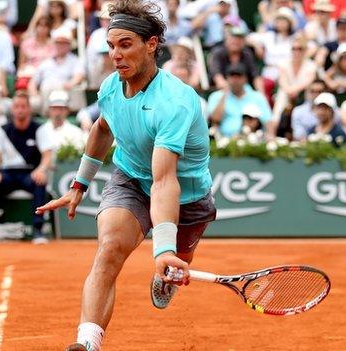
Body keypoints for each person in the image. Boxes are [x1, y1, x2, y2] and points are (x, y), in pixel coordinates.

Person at [37, 3, 217, 349]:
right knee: (109, 248)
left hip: (186, 196)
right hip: (132, 178)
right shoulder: (110, 87)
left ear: (151, 45)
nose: (115, 55)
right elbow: (104, 129)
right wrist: (80, 184)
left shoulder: (176, 102)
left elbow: (165, 180)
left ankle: (167, 269)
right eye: (111, 46)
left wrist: (164, 249)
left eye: (125, 44)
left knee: (177, 261)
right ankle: (87, 341)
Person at [0, 91, 56, 244]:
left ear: (29, 109)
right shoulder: (2, 130)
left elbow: (47, 155)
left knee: (40, 181)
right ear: (12, 109)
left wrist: (41, 169)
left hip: (30, 173)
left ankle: (38, 230)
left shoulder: (39, 128)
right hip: (8, 173)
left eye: (23, 106)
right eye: (17, 106)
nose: (20, 110)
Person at [28, 28, 85, 114]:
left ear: (69, 45)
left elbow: (79, 76)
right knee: (33, 101)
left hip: (65, 94)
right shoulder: (46, 62)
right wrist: (34, 93)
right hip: (45, 98)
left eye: (64, 43)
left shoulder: (75, 61)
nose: (61, 46)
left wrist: (70, 83)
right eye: (58, 43)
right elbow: (33, 83)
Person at [208, 63, 273, 137]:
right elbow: (215, 120)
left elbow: (268, 122)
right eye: (232, 76)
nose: (235, 80)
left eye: (239, 76)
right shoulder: (216, 96)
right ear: (227, 78)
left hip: (252, 142)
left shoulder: (257, 97)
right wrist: (225, 94)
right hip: (224, 142)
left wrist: (271, 138)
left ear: (245, 78)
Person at [272, 35, 317, 122]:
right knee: (281, 96)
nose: (296, 51)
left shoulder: (311, 65)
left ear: (305, 50)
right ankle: (274, 125)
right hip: (287, 93)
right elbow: (283, 82)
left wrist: (293, 91)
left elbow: (308, 82)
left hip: (304, 94)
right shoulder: (283, 64)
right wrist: (290, 91)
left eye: (300, 49)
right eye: (294, 49)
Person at [208, 26, 263, 92]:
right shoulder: (218, 53)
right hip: (221, 91)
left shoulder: (247, 54)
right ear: (226, 39)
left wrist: (261, 95)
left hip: (244, 91)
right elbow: (217, 75)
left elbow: (256, 76)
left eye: (240, 38)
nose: (236, 41)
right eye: (233, 38)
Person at [17, 15, 55, 84]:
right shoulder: (26, 43)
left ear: (49, 29)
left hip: (48, 75)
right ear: (36, 27)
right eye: (40, 25)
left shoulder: (54, 45)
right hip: (30, 75)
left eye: (45, 26)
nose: (42, 28)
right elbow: (21, 65)